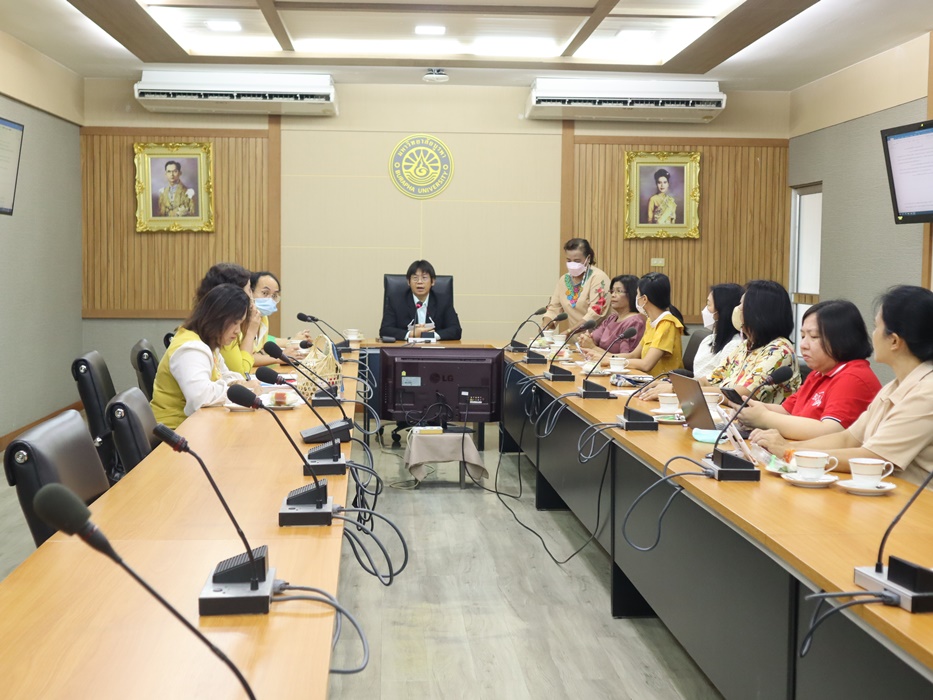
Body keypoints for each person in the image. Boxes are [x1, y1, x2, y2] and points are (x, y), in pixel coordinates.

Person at [752, 286, 933, 484]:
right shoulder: (895, 386)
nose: (873, 335)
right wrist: (787, 449)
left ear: (895, 341)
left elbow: (874, 457)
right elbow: (848, 439)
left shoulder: (927, 393)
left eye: (876, 327)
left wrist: (791, 452)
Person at [740, 300, 880, 439]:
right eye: (802, 336)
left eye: (813, 337)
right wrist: (750, 408)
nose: (803, 344)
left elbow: (829, 432)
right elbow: (787, 411)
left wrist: (765, 418)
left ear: (843, 339)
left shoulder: (853, 378)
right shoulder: (818, 373)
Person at [151, 284, 258, 429]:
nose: (238, 331)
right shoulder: (191, 349)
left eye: (241, 323)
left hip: (194, 426)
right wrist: (240, 390)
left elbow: (223, 375)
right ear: (217, 317)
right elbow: (201, 398)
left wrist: (238, 384)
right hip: (175, 431)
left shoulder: (208, 343)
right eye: (234, 323)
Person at [705, 280, 800, 403]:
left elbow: (740, 396)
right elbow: (711, 380)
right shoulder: (745, 346)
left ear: (757, 313)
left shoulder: (779, 351)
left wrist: (696, 392)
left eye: (741, 305)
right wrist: (687, 387)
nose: (737, 309)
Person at [193, 262, 262, 377]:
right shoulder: (222, 329)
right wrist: (251, 333)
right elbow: (242, 372)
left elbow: (230, 376)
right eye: (249, 290)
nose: (251, 296)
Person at [616, 272, 685, 376]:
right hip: (648, 380)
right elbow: (633, 355)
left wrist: (614, 362)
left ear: (644, 299)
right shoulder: (651, 321)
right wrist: (603, 358)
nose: (636, 298)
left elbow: (646, 364)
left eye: (637, 294)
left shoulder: (666, 324)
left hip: (663, 383)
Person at [379, 260, 462, 340]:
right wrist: (412, 334)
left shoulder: (443, 301)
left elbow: (456, 330)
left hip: (435, 348)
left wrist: (430, 335)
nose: (419, 282)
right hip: (406, 348)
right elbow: (385, 330)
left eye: (424, 278)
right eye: (415, 278)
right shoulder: (396, 301)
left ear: (433, 281)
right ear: (408, 282)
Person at [542, 238, 611, 331]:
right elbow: (554, 308)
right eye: (569, 260)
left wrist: (569, 331)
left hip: (600, 336)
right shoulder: (564, 280)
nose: (572, 264)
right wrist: (546, 324)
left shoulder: (598, 278)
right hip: (575, 337)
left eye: (577, 261)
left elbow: (595, 312)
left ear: (588, 258)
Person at [248, 271, 314, 367]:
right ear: (250, 292)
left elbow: (263, 344)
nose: (270, 299)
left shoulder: (263, 318)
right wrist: (281, 357)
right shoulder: (241, 319)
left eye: (274, 295)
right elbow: (246, 357)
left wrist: (292, 342)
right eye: (265, 293)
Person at [580, 274, 645, 359]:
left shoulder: (635, 322)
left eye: (619, 291)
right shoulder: (612, 318)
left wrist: (593, 348)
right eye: (612, 291)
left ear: (632, 293)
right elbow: (593, 339)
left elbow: (625, 358)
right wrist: (585, 339)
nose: (613, 295)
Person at [691, 283, 744, 380]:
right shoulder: (709, 339)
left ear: (721, 311)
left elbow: (721, 382)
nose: (705, 310)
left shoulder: (735, 345)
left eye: (709, 304)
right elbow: (697, 376)